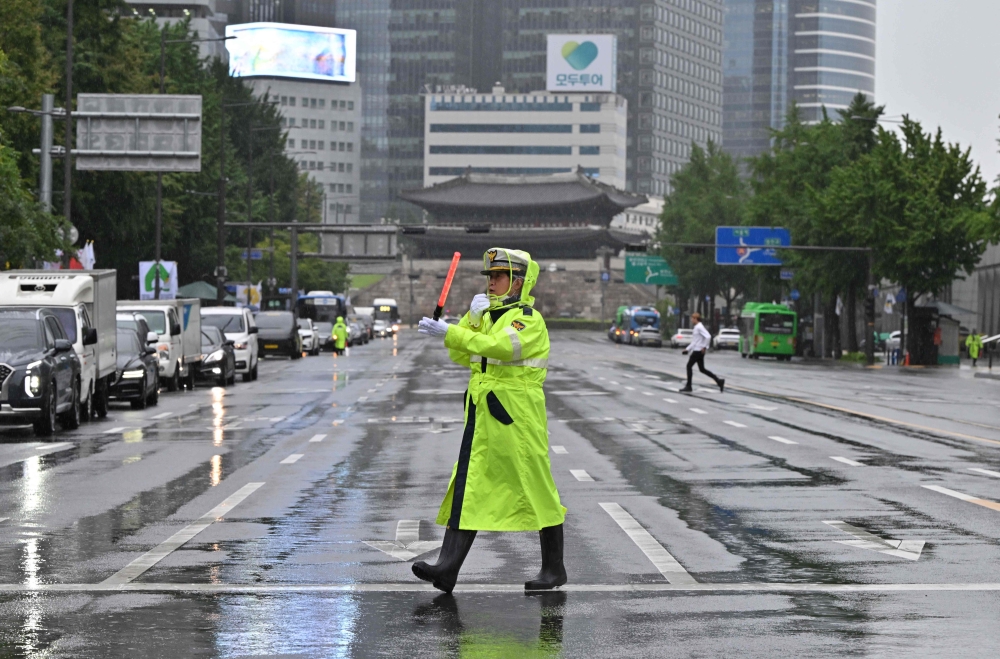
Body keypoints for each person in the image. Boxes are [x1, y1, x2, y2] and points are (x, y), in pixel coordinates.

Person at [414, 247, 567, 594]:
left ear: (518, 281)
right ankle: (447, 569)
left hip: (517, 419)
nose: (492, 282)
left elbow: (500, 348)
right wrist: (468, 319)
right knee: (468, 487)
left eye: (499, 276)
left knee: (537, 488)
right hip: (484, 417)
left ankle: (554, 569)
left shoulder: (527, 319)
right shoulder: (488, 316)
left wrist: (454, 330)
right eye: (490, 276)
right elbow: (460, 353)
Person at [680, 312, 725, 393]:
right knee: (702, 369)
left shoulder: (699, 327)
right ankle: (719, 381)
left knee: (689, 366)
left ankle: (689, 386)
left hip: (698, 351)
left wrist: (704, 347)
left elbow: (708, 336)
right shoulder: (697, 327)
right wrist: (687, 349)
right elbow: (695, 341)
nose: (691, 320)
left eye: (692, 318)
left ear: (695, 319)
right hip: (698, 350)